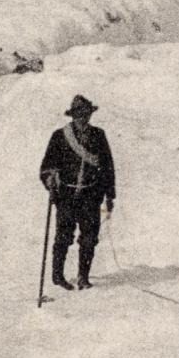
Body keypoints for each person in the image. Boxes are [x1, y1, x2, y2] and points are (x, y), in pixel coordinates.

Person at [40, 95, 116, 290]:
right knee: (64, 236)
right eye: (79, 114)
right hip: (66, 195)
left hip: (91, 196)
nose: (83, 118)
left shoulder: (98, 135)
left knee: (89, 237)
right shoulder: (59, 136)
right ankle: (58, 277)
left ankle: (83, 277)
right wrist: (49, 178)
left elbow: (107, 166)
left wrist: (109, 194)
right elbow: (47, 165)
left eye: (86, 114)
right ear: (72, 116)